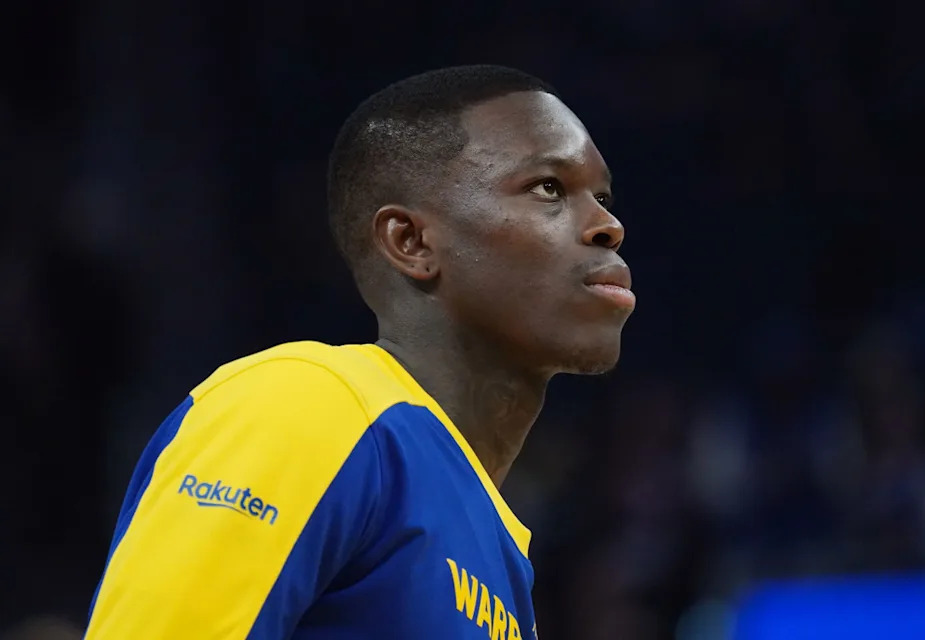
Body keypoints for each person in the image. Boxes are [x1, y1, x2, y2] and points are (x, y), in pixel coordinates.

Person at [85, 64, 633, 639]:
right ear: (411, 241)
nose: (607, 225)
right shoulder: (309, 402)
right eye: (549, 187)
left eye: (602, 196)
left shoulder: (495, 544)